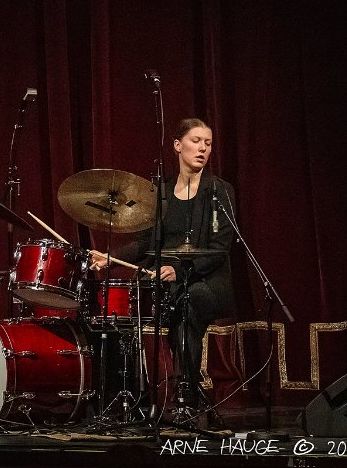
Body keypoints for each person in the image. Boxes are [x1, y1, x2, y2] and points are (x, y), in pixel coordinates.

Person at [89, 118, 237, 413]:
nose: (203, 148)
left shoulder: (220, 191)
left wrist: (179, 271)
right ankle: (132, 399)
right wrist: (109, 257)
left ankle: (187, 398)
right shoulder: (162, 193)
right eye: (196, 141)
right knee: (126, 306)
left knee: (187, 304)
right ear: (177, 145)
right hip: (166, 280)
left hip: (207, 280)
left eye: (208, 143)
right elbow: (145, 243)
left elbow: (219, 250)